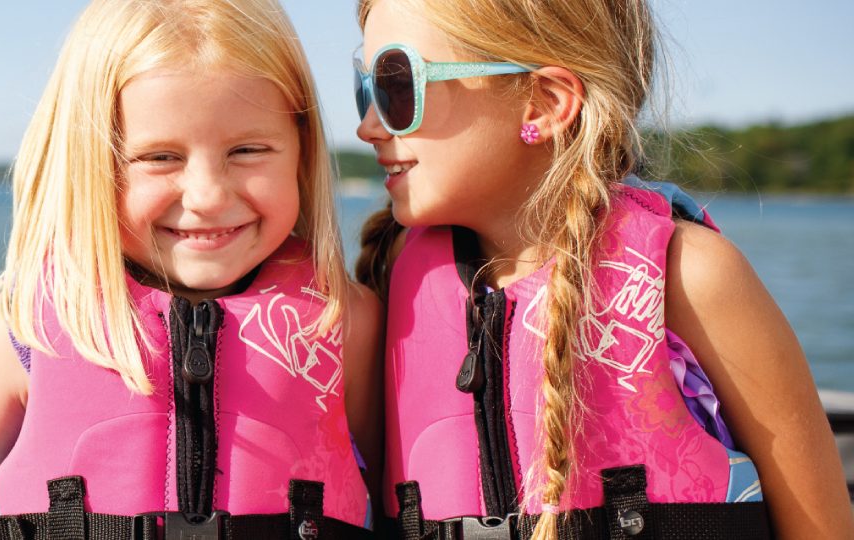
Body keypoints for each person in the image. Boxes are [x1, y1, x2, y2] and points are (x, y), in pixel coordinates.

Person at [0, 0, 383, 538]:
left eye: (249, 150)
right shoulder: (24, 329)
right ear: (88, 164)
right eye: (160, 157)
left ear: (302, 152)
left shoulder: (345, 322)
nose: (208, 196)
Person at [350, 0, 853, 538]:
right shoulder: (395, 278)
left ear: (545, 103)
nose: (367, 126)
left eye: (398, 86)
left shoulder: (690, 277)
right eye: (365, 88)